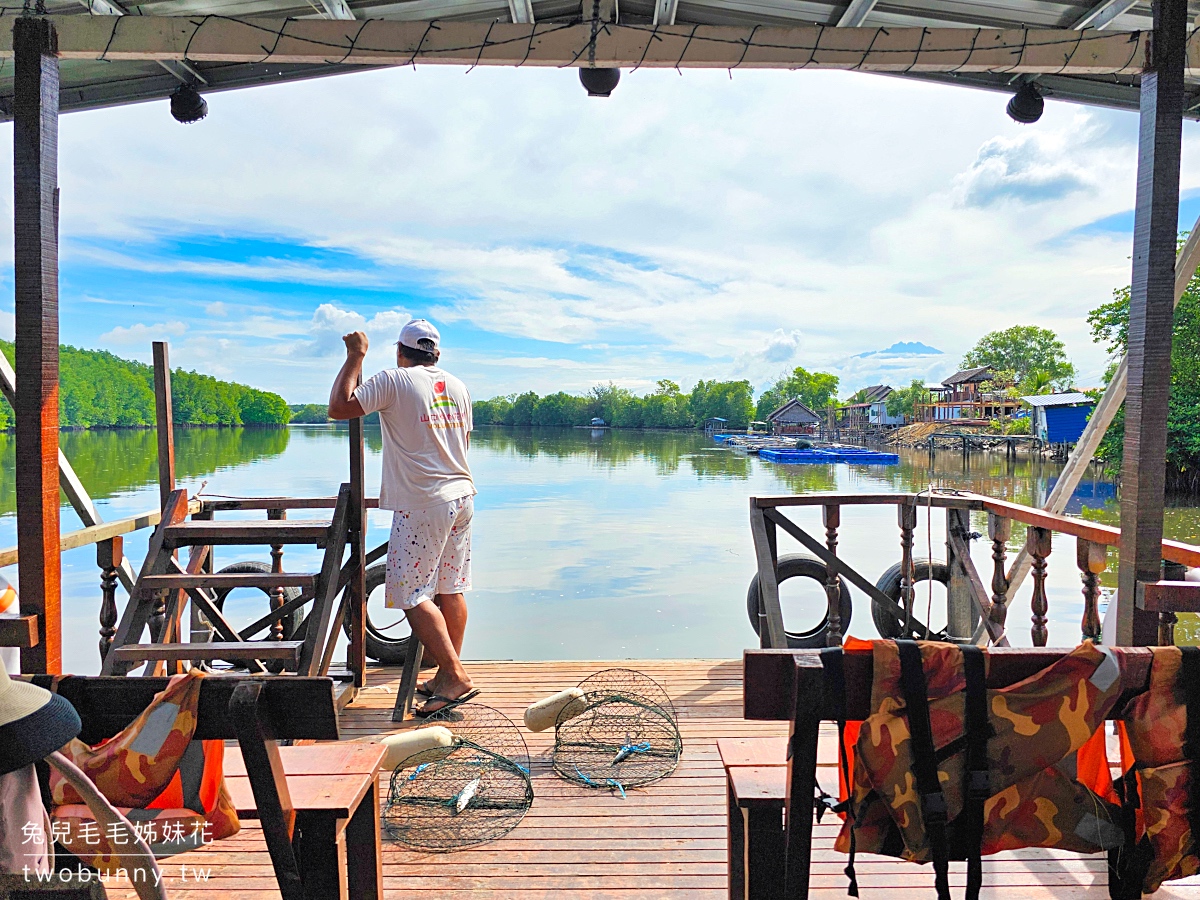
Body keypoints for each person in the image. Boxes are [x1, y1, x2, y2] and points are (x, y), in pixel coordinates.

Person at [328, 319, 477, 717]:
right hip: (461, 496)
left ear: (400, 351)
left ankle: (454, 674)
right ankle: (448, 677)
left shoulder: (394, 380)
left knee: (411, 594)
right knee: (450, 587)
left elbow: (339, 408)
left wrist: (355, 356)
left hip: (423, 501)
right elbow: (461, 442)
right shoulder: (459, 387)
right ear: (437, 354)